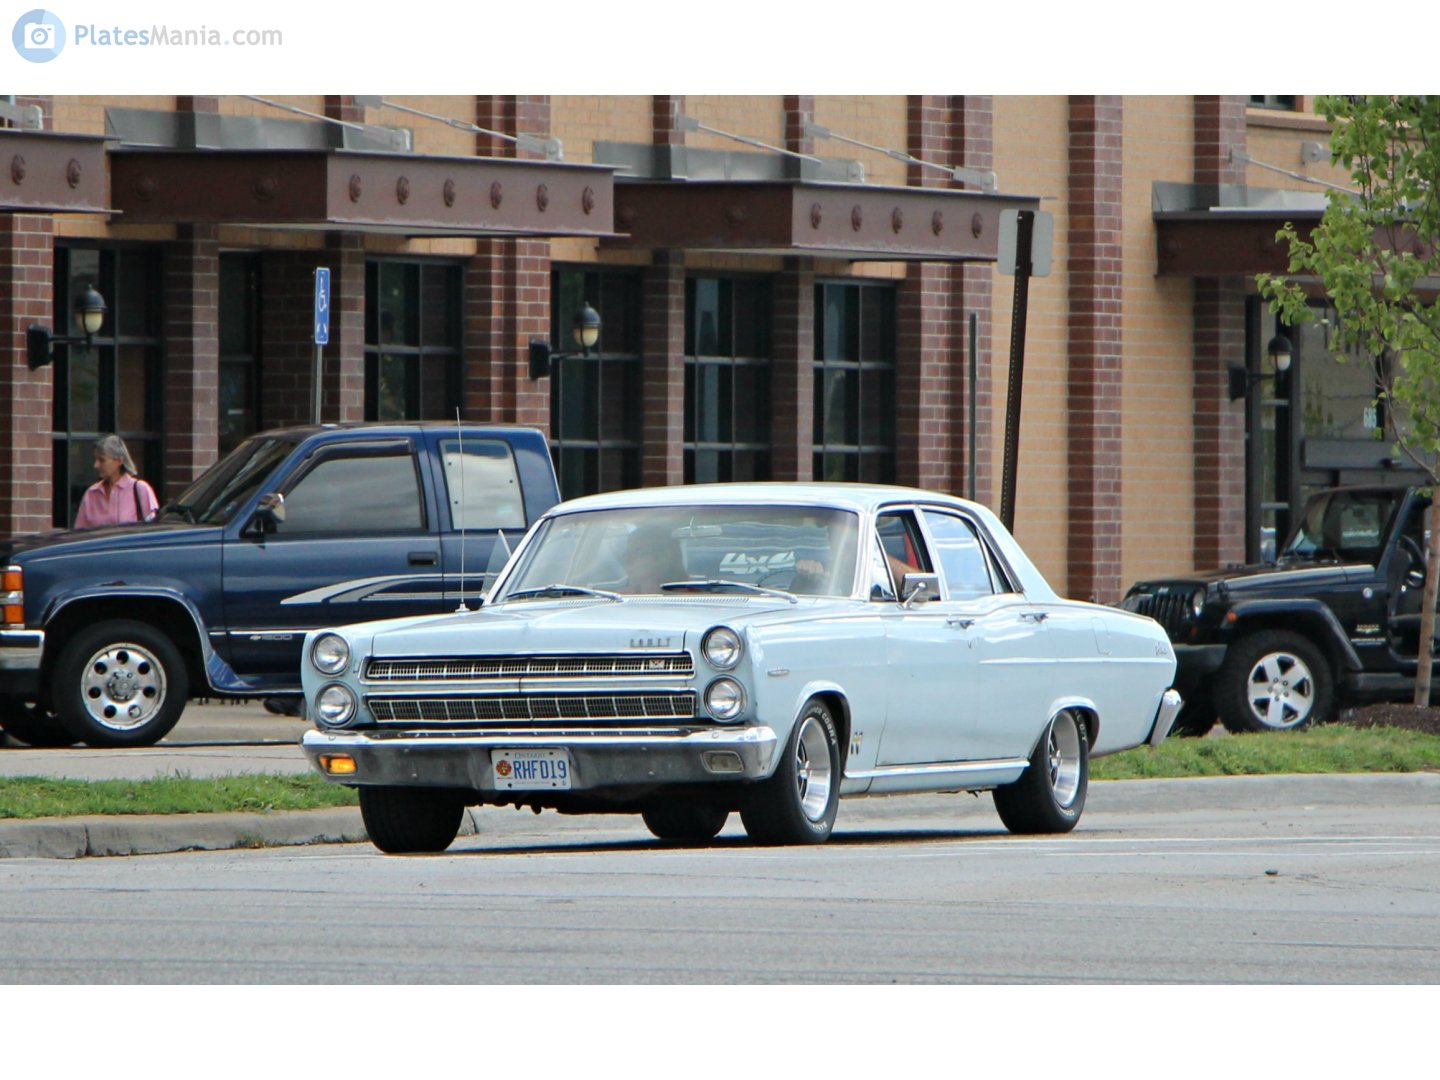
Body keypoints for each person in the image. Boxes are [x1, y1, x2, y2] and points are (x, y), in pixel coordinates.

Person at [73, 434, 159, 528]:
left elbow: (153, 530)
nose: (96, 465)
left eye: (102, 460)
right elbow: (79, 533)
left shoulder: (140, 489)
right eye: (96, 460)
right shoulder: (91, 494)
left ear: (119, 461)